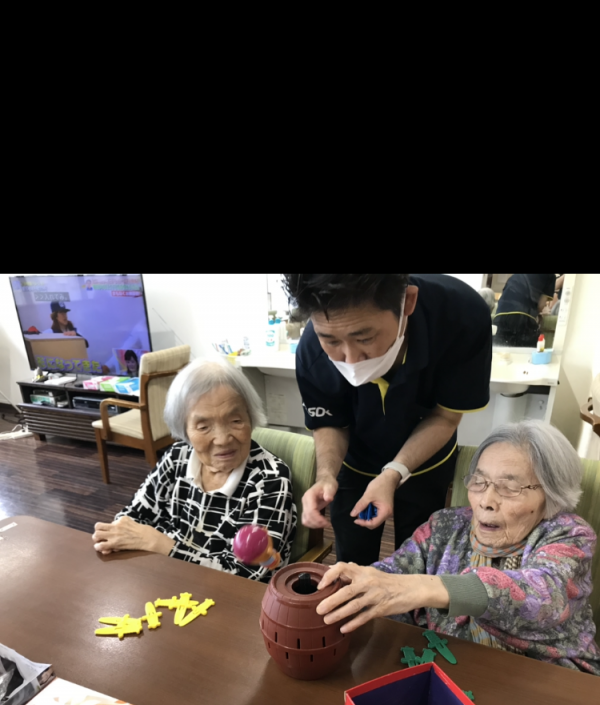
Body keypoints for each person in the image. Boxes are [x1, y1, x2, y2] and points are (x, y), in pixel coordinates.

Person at [315, 421, 600, 674]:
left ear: (551, 493)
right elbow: (393, 577)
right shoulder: (444, 526)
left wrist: (426, 588)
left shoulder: (570, 536)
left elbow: (543, 597)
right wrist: (347, 589)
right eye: (479, 481)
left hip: (550, 682)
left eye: (509, 488)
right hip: (450, 673)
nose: (486, 501)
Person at [285, 273, 492, 566]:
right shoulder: (312, 346)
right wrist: (326, 475)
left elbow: (445, 417)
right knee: (353, 560)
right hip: (354, 462)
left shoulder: (461, 316)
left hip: (425, 462)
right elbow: (330, 420)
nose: (350, 359)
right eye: (331, 341)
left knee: (418, 557)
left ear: (408, 302)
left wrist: (393, 473)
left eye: (365, 338)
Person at [92, 359, 296, 580]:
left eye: (235, 420)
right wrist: (132, 537)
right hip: (163, 579)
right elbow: (131, 519)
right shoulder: (177, 457)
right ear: (185, 430)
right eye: (204, 426)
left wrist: (161, 544)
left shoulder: (270, 479)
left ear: (251, 417)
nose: (222, 439)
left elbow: (247, 575)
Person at [493, 275, 556, 347]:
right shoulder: (550, 276)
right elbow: (541, 305)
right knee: (525, 351)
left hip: (500, 315)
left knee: (499, 349)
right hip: (523, 317)